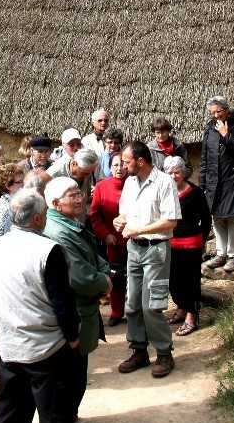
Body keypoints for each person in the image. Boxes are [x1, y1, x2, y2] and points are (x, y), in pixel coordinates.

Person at [0, 190, 81, 423]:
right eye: (44, 214)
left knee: (11, 412)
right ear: (37, 219)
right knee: (55, 416)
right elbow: (62, 303)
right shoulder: (48, 250)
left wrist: (5, 324)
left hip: (9, 346)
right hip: (47, 348)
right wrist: (73, 337)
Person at [43, 177, 111, 422]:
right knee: (71, 374)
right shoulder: (59, 232)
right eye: (72, 195)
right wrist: (104, 282)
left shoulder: (71, 224)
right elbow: (80, 276)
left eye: (78, 193)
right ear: (55, 203)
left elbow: (93, 255)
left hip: (83, 306)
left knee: (76, 371)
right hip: (76, 309)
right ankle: (65, 420)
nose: (80, 198)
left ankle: (68, 417)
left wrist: (104, 273)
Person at [113, 141, 181, 378]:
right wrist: (119, 221)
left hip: (155, 249)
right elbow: (125, 212)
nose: (122, 166)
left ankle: (164, 353)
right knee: (132, 304)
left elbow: (170, 221)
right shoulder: (130, 183)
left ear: (140, 161)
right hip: (135, 249)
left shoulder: (164, 183)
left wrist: (138, 230)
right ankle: (139, 350)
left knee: (151, 305)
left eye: (127, 161)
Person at [199, 96, 234, 274]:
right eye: (212, 113)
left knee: (232, 216)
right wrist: (202, 182)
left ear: (227, 110)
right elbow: (205, 157)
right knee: (217, 217)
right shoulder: (210, 127)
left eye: (219, 111)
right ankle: (221, 254)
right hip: (214, 179)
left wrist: (226, 134)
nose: (215, 115)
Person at [162, 156, 211, 336]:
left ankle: (192, 316)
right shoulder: (165, 192)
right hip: (170, 244)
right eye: (170, 172)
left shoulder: (195, 193)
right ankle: (181, 308)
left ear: (183, 173)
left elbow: (206, 219)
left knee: (190, 281)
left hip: (191, 244)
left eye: (177, 172)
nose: (174, 176)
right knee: (174, 281)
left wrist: (201, 238)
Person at [89, 151, 128, 326]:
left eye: (123, 164)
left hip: (134, 239)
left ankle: (138, 311)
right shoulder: (101, 186)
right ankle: (117, 311)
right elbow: (95, 215)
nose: (120, 168)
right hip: (113, 241)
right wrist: (106, 235)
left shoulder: (135, 184)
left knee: (136, 277)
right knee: (116, 277)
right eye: (115, 165)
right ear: (110, 167)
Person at [45, 148, 99, 219]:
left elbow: (86, 199)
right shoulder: (53, 174)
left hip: (79, 222)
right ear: (74, 164)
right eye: (85, 173)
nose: (87, 176)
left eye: (90, 173)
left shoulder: (87, 172)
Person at [0, 163, 26, 237]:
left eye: (23, 180)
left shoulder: (6, 200)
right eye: (19, 182)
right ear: (8, 186)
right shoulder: (10, 208)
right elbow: (9, 238)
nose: (23, 184)